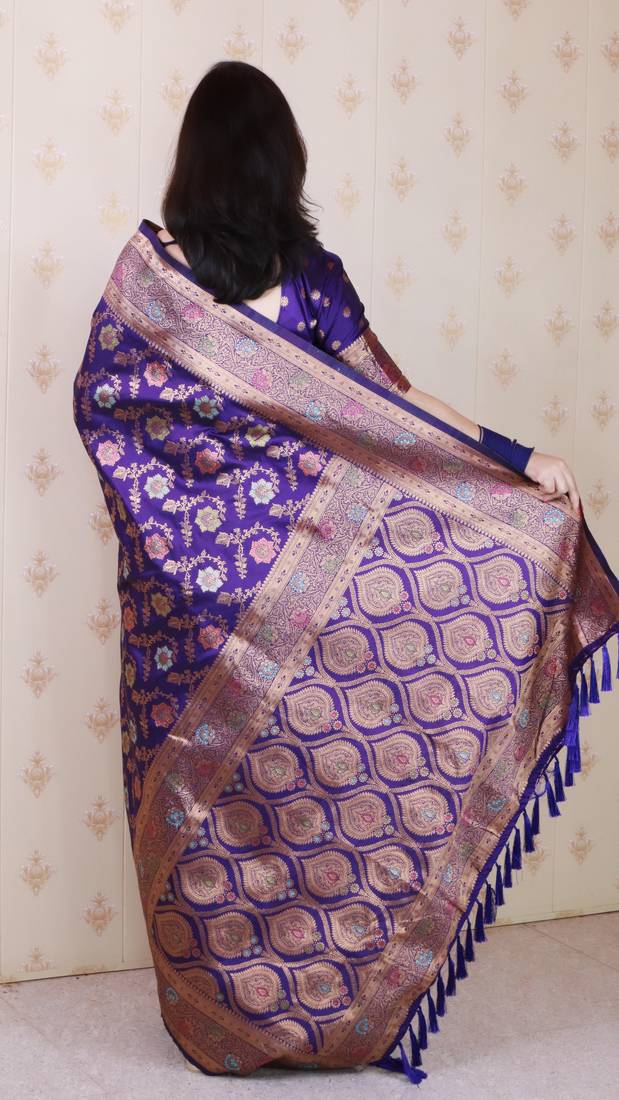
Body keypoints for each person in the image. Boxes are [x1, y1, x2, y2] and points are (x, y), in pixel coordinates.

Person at [73, 60, 618, 1086]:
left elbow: (108, 405)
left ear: (194, 161)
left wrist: (512, 461)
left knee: (230, 806)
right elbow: (399, 402)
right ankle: (317, 1018)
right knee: (304, 797)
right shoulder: (279, 278)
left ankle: (230, 1026)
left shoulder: (165, 282)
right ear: (281, 162)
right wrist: (517, 458)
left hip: (205, 615)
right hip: (282, 605)